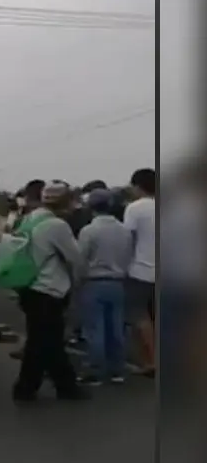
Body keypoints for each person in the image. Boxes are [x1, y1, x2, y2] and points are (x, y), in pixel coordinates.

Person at [12, 181, 88, 402]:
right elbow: (75, 257)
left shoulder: (30, 219)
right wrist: (79, 279)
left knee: (41, 341)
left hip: (29, 285)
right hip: (49, 287)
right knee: (47, 341)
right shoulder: (56, 225)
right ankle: (58, 387)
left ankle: (33, 386)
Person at [76, 189, 132, 385]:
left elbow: (81, 259)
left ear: (90, 207)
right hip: (118, 282)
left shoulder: (89, 231)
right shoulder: (124, 230)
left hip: (94, 282)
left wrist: (77, 280)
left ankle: (95, 370)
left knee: (95, 329)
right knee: (116, 328)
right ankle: (117, 369)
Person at [123, 168, 156, 377]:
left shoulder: (135, 208)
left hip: (140, 270)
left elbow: (128, 238)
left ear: (137, 186)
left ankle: (151, 361)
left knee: (141, 318)